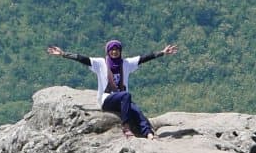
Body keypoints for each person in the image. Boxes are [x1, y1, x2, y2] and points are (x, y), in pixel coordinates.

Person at [47, 38, 179, 138]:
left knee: (137, 111)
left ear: (120, 51)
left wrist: (162, 52)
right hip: (107, 100)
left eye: (117, 50)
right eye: (112, 50)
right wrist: (63, 54)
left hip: (121, 101)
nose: (114, 52)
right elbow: (82, 59)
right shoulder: (100, 63)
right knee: (127, 95)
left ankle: (148, 134)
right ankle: (126, 127)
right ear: (108, 51)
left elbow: (144, 58)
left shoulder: (126, 63)